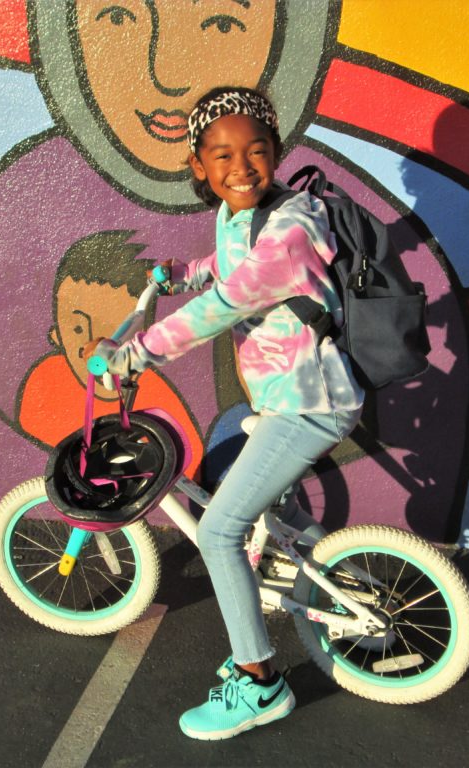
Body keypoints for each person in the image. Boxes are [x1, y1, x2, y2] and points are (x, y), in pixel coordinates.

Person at [86, 87, 365, 740]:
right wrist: (181, 272)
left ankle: (261, 683)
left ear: (276, 152)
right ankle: (304, 563)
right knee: (236, 456)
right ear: (199, 168)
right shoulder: (245, 215)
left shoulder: (294, 227)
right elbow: (227, 267)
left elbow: (230, 301)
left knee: (217, 533)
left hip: (309, 405)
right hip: (282, 399)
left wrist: (135, 354)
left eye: (256, 151)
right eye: (222, 155)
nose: (241, 166)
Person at [13, 230, 203, 479]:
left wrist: (124, 358)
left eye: (109, 333)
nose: (91, 342)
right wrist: (184, 275)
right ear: (56, 336)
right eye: (78, 328)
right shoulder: (45, 381)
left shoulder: (162, 404)